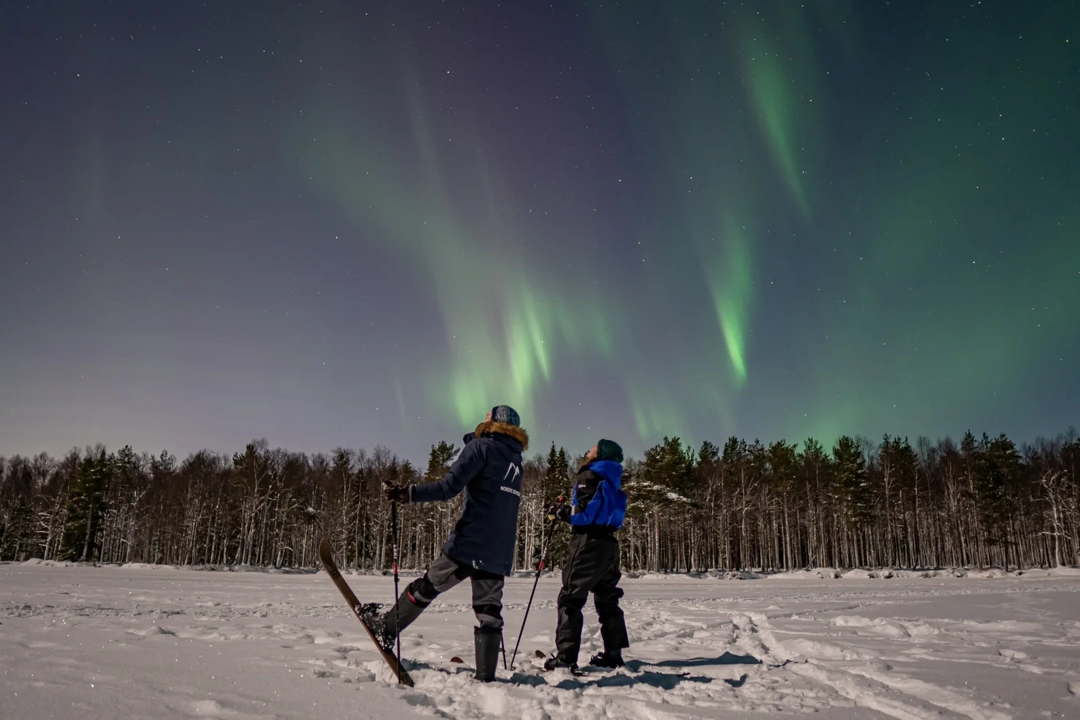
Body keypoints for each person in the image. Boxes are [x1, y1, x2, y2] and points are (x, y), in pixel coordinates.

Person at [363, 405, 529, 683]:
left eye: (488, 415)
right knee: (489, 610)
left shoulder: (481, 447)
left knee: (427, 586)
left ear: (496, 421)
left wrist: (408, 494)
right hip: (499, 547)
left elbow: (448, 487)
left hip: (470, 541)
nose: (483, 417)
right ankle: (486, 677)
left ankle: (387, 629)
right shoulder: (516, 461)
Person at [543, 438, 630, 672]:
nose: (590, 450)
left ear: (601, 453)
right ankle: (614, 654)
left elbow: (583, 514)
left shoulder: (590, 475)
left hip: (588, 543)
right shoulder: (613, 480)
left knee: (570, 599)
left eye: (594, 448)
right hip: (609, 544)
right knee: (608, 599)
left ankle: (565, 658)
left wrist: (559, 511)